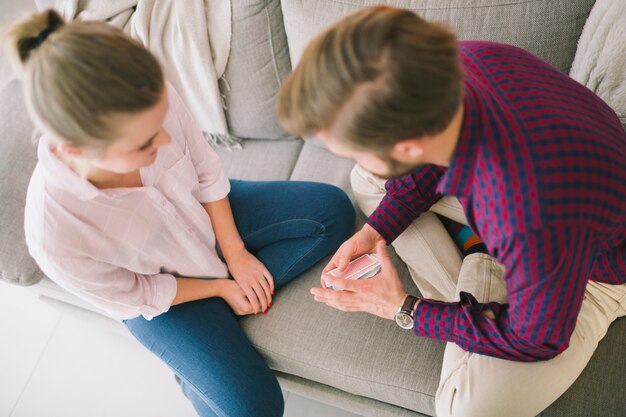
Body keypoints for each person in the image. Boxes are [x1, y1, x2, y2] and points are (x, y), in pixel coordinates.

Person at [277, 5, 626, 417]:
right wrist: (376, 230)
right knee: (367, 181)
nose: (343, 154)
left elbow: (538, 339)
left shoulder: (525, 209)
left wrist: (402, 309)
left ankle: (481, 264)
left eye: (348, 148)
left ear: (407, 147)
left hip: (594, 271)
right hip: (553, 215)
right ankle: (480, 276)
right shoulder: (466, 61)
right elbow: (434, 158)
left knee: (463, 409)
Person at [7, 9, 355, 417]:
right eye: (146, 143)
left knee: (332, 210)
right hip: (164, 299)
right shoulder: (54, 236)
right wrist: (223, 288)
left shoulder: (145, 92)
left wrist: (237, 253)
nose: (166, 138)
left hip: (203, 214)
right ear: (77, 150)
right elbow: (139, 294)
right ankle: (204, 358)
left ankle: (207, 352)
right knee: (255, 408)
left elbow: (206, 170)